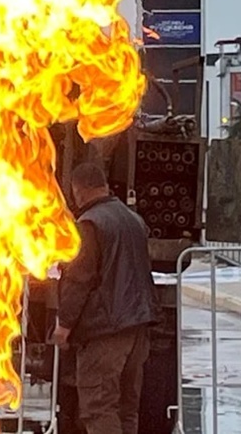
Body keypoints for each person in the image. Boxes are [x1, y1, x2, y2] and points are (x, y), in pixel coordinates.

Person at [51, 162, 160, 434]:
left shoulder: (89, 224)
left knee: (99, 408)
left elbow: (80, 279)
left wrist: (64, 326)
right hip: (137, 328)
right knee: (126, 408)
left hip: (105, 331)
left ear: (79, 191)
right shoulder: (133, 219)